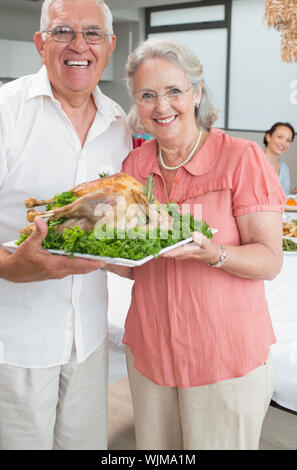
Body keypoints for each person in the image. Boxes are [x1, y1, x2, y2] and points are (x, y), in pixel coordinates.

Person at [120, 38, 286, 450]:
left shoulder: (241, 158)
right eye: (148, 95)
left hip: (222, 358)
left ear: (196, 93)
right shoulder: (135, 166)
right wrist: (91, 253)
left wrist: (217, 255)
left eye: (174, 91)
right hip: (151, 353)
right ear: (136, 104)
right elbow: (135, 262)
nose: (162, 107)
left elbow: (269, 260)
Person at [0, 0, 132, 450]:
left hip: (88, 340)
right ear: (41, 44)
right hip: (14, 343)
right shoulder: (6, 111)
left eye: (93, 33)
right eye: (63, 32)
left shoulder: (119, 124)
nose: (80, 45)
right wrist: (9, 266)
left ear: (110, 46)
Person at [263, 122, 295, 195]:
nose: (283, 143)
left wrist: (292, 196)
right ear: (268, 137)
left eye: (288, 140)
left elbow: (284, 197)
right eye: (280, 137)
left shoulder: (284, 168)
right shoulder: (253, 162)